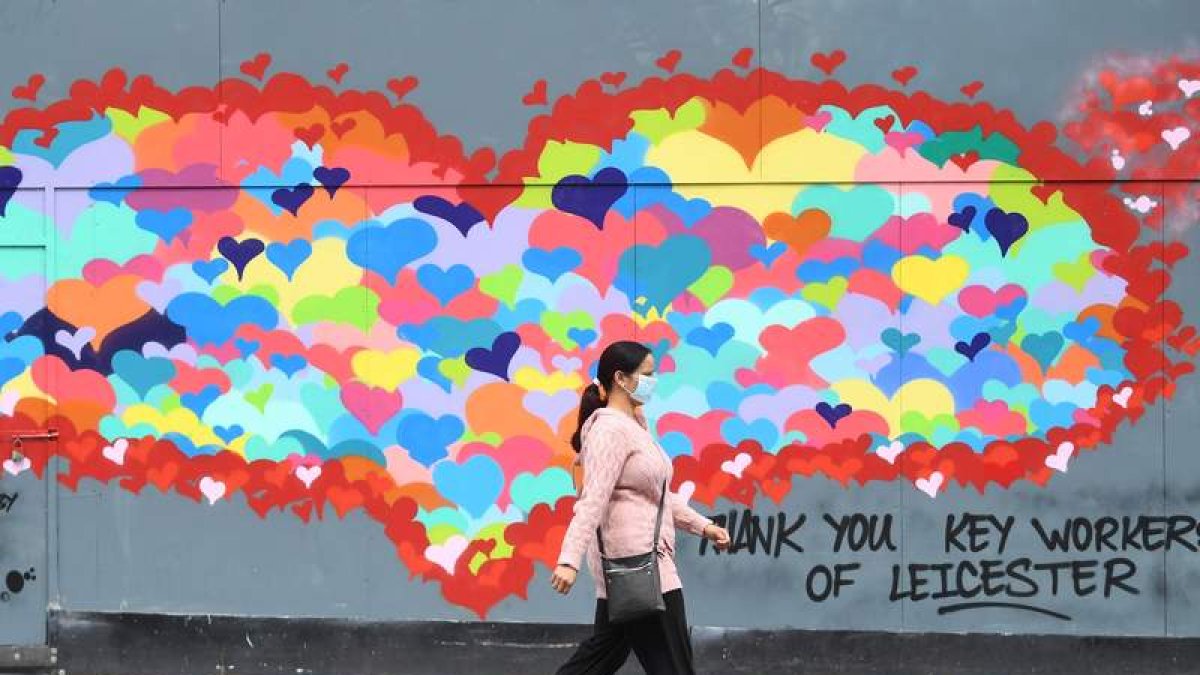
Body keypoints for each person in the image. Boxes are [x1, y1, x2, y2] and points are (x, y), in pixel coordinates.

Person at [551, 340, 731, 675]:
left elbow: (659, 497)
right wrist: (568, 560)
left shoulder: (634, 426)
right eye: (647, 374)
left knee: (598, 660)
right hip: (639, 569)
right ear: (621, 378)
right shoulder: (609, 429)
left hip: (637, 569)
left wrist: (703, 526)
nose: (653, 381)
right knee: (673, 667)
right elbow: (593, 499)